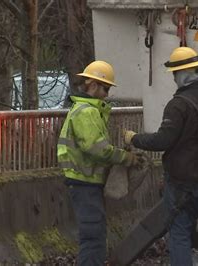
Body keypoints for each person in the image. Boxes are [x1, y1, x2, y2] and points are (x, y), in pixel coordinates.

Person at [123, 47, 198, 266]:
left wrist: (134, 138)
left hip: (180, 186)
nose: (174, 79)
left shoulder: (178, 105)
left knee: (179, 234)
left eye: (175, 74)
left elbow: (162, 141)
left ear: (182, 75)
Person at [57, 60, 143, 266]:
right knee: (93, 237)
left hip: (85, 180)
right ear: (93, 85)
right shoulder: (86, 112)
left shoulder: (87, 110)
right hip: (84, 181)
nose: (107, 94)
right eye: (105, 88)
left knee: (94, 236)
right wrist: (125, 158)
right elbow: (96, 149)